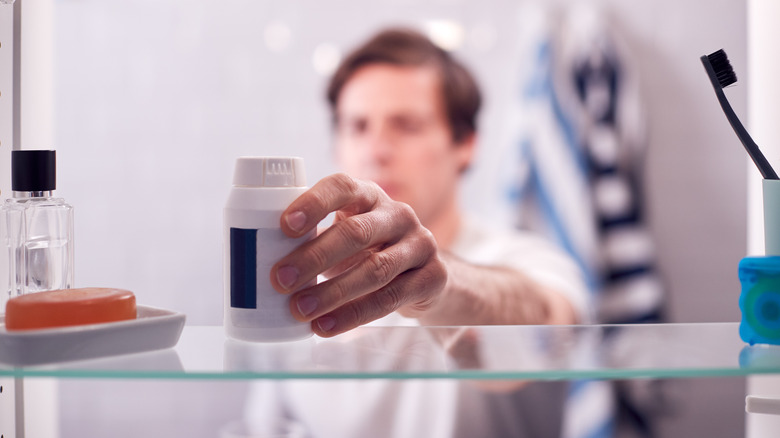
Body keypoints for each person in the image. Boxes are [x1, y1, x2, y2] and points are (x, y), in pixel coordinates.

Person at [246, 28, 590, 437]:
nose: (376, 150)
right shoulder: (299, 283)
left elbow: (547, 320)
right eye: (357, 127)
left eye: (406, 126)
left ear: (465, 144)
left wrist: (436, 283)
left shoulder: (530, 260)